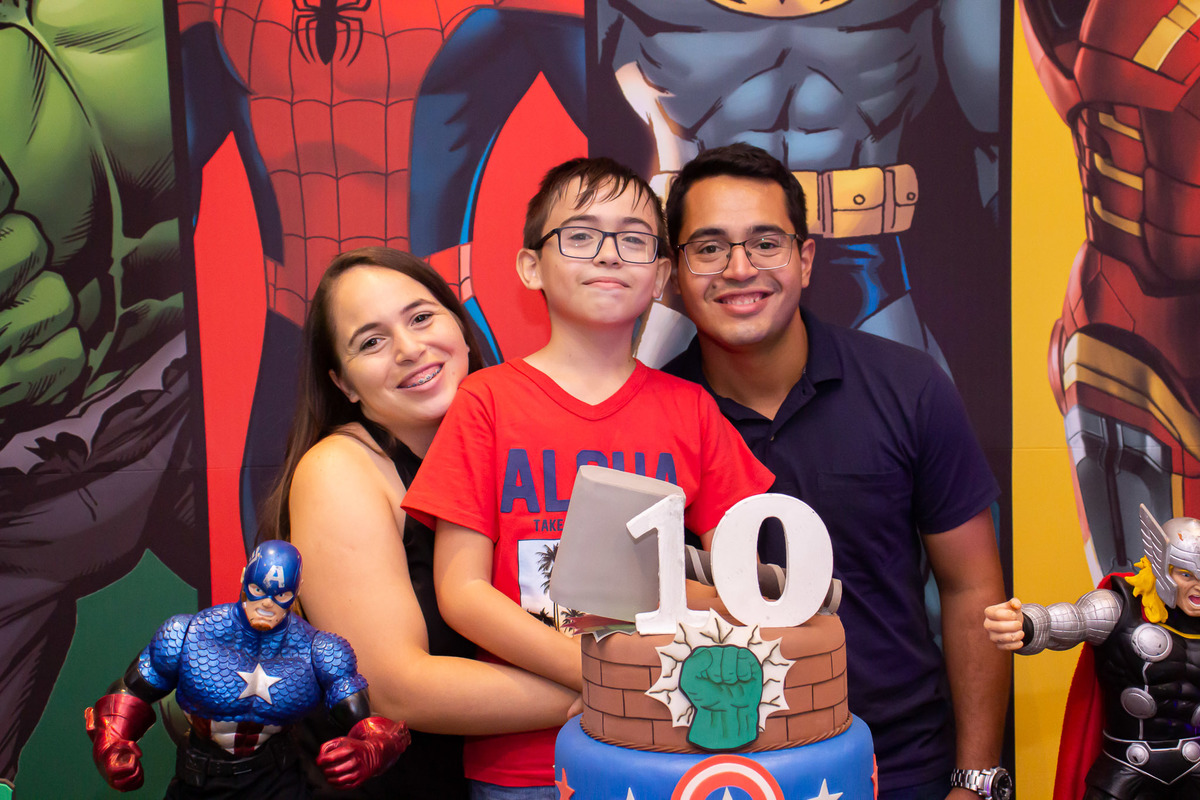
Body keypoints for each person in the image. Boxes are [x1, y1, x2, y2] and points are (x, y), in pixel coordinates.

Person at [400, 157, 775, 797]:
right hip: (525, 767)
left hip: (663, 752)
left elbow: (738, 587)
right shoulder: (486, 401)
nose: (608, 254)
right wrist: (597, 675)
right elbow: (461, 592)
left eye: (633, 239)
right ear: (531, 267)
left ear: (660, 275)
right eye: (580, 235)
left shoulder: (691, 410)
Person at [660, 143, 1010, 800]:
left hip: (898, 766)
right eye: (708, 248)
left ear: (806, 259)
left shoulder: (910, 388)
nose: (739, 268)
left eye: (766, 243)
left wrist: (974, 779)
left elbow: (972, 589)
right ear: (676, 273)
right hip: (705, 769)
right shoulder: (646, 419)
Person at [257, 247, 578, 798]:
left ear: (461, 327)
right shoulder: (340, 469)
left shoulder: (525, 451)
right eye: (371, 342)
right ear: (344, 384)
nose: (409, 349)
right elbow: (394, 688)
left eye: (422, 317)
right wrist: (619, 693)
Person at [84, 540, 410, 798]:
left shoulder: (320, 651)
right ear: (244, 579)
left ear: (296, 592)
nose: (267, 604)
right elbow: (130, 694)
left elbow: (373, 728)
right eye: (258, 590)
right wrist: (111, 742)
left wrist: (371, 751)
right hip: (199, 782)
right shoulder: (188, 634)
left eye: (281, 595)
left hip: (278, 782)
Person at [985, 506, 1200, 800]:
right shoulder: (1119, 606)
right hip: (1128, 767)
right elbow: (1070, 621)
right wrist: (1025, 624)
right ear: (1161, 565)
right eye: (1186, 574)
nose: (1197, 586)